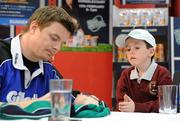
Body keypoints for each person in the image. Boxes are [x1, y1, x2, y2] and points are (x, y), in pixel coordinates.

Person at [115, 29, 172, 112]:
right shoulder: (126, 74)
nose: (131, 52)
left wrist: (136, 107)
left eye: (137, 48)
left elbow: (165, 104)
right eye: (128, 49)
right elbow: (121, 102)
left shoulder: (162, 73)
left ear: (151, 52)